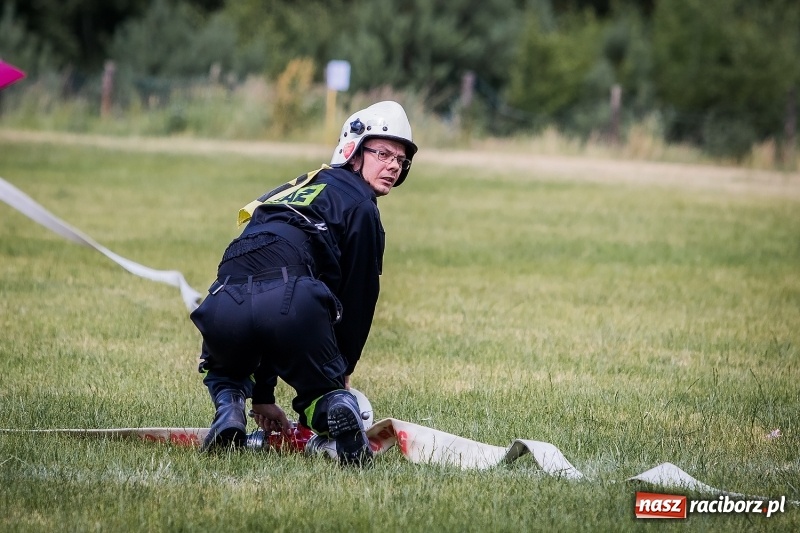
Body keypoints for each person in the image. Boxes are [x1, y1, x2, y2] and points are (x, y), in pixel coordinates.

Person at [190, 100, 417, 466]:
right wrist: (340, 372)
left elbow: (257, 286)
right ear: (354, 151)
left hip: (222, 300)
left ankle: (230, 407)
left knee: (225, 371)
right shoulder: (361, 204)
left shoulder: (289, 189)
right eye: (384, 153)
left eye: (401, 160)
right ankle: (334, 409)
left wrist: (262, 395)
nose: (393, 165)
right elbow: (358, 297)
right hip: (289, 300)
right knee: (321, 393)